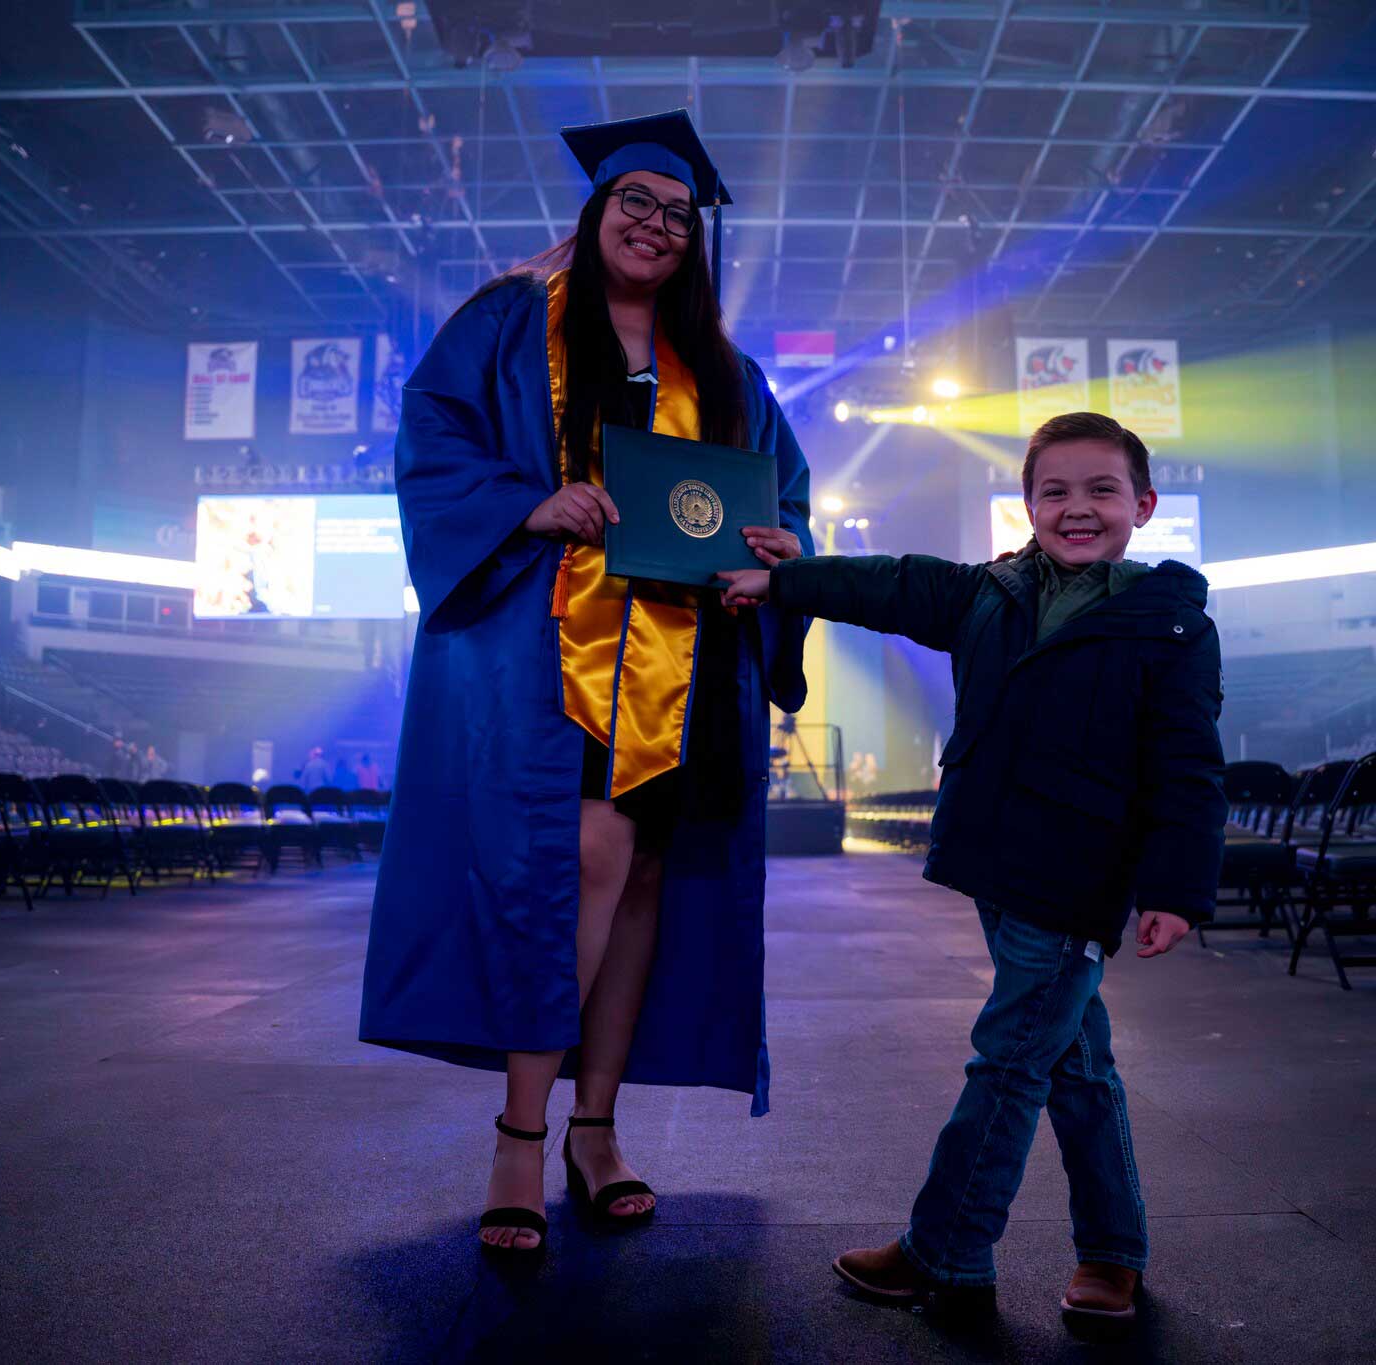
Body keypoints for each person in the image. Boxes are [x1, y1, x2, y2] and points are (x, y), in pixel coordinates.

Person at [359, 109, 812, 1257]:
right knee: (584, 864)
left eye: (675, 214)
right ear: (596, 212)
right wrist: (527, 502)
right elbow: (432, 432)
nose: (656, 226)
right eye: (635, 205)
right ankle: (523, 1131)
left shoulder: (723, 369)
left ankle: (594, 1129)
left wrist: (775, 556)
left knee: (646, 874)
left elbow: (780, 494)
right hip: (553, 647)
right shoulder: (513, 320)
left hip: (688, 660)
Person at [721, 411, 1223, 1331]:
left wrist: (1177, 888)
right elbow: (894, 583)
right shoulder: (989, 592)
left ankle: (944, 1248)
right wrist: (789, 577)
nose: (1078, 508)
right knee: (1074, 1067)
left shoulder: (1172, 623)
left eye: (1102, 490)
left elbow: (1189, 766)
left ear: (1144, 506)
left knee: (1008, 1064)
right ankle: (1113, 1253)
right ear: (1028, 504)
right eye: (1055, 491)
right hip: (997, 861)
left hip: (1075, 877)